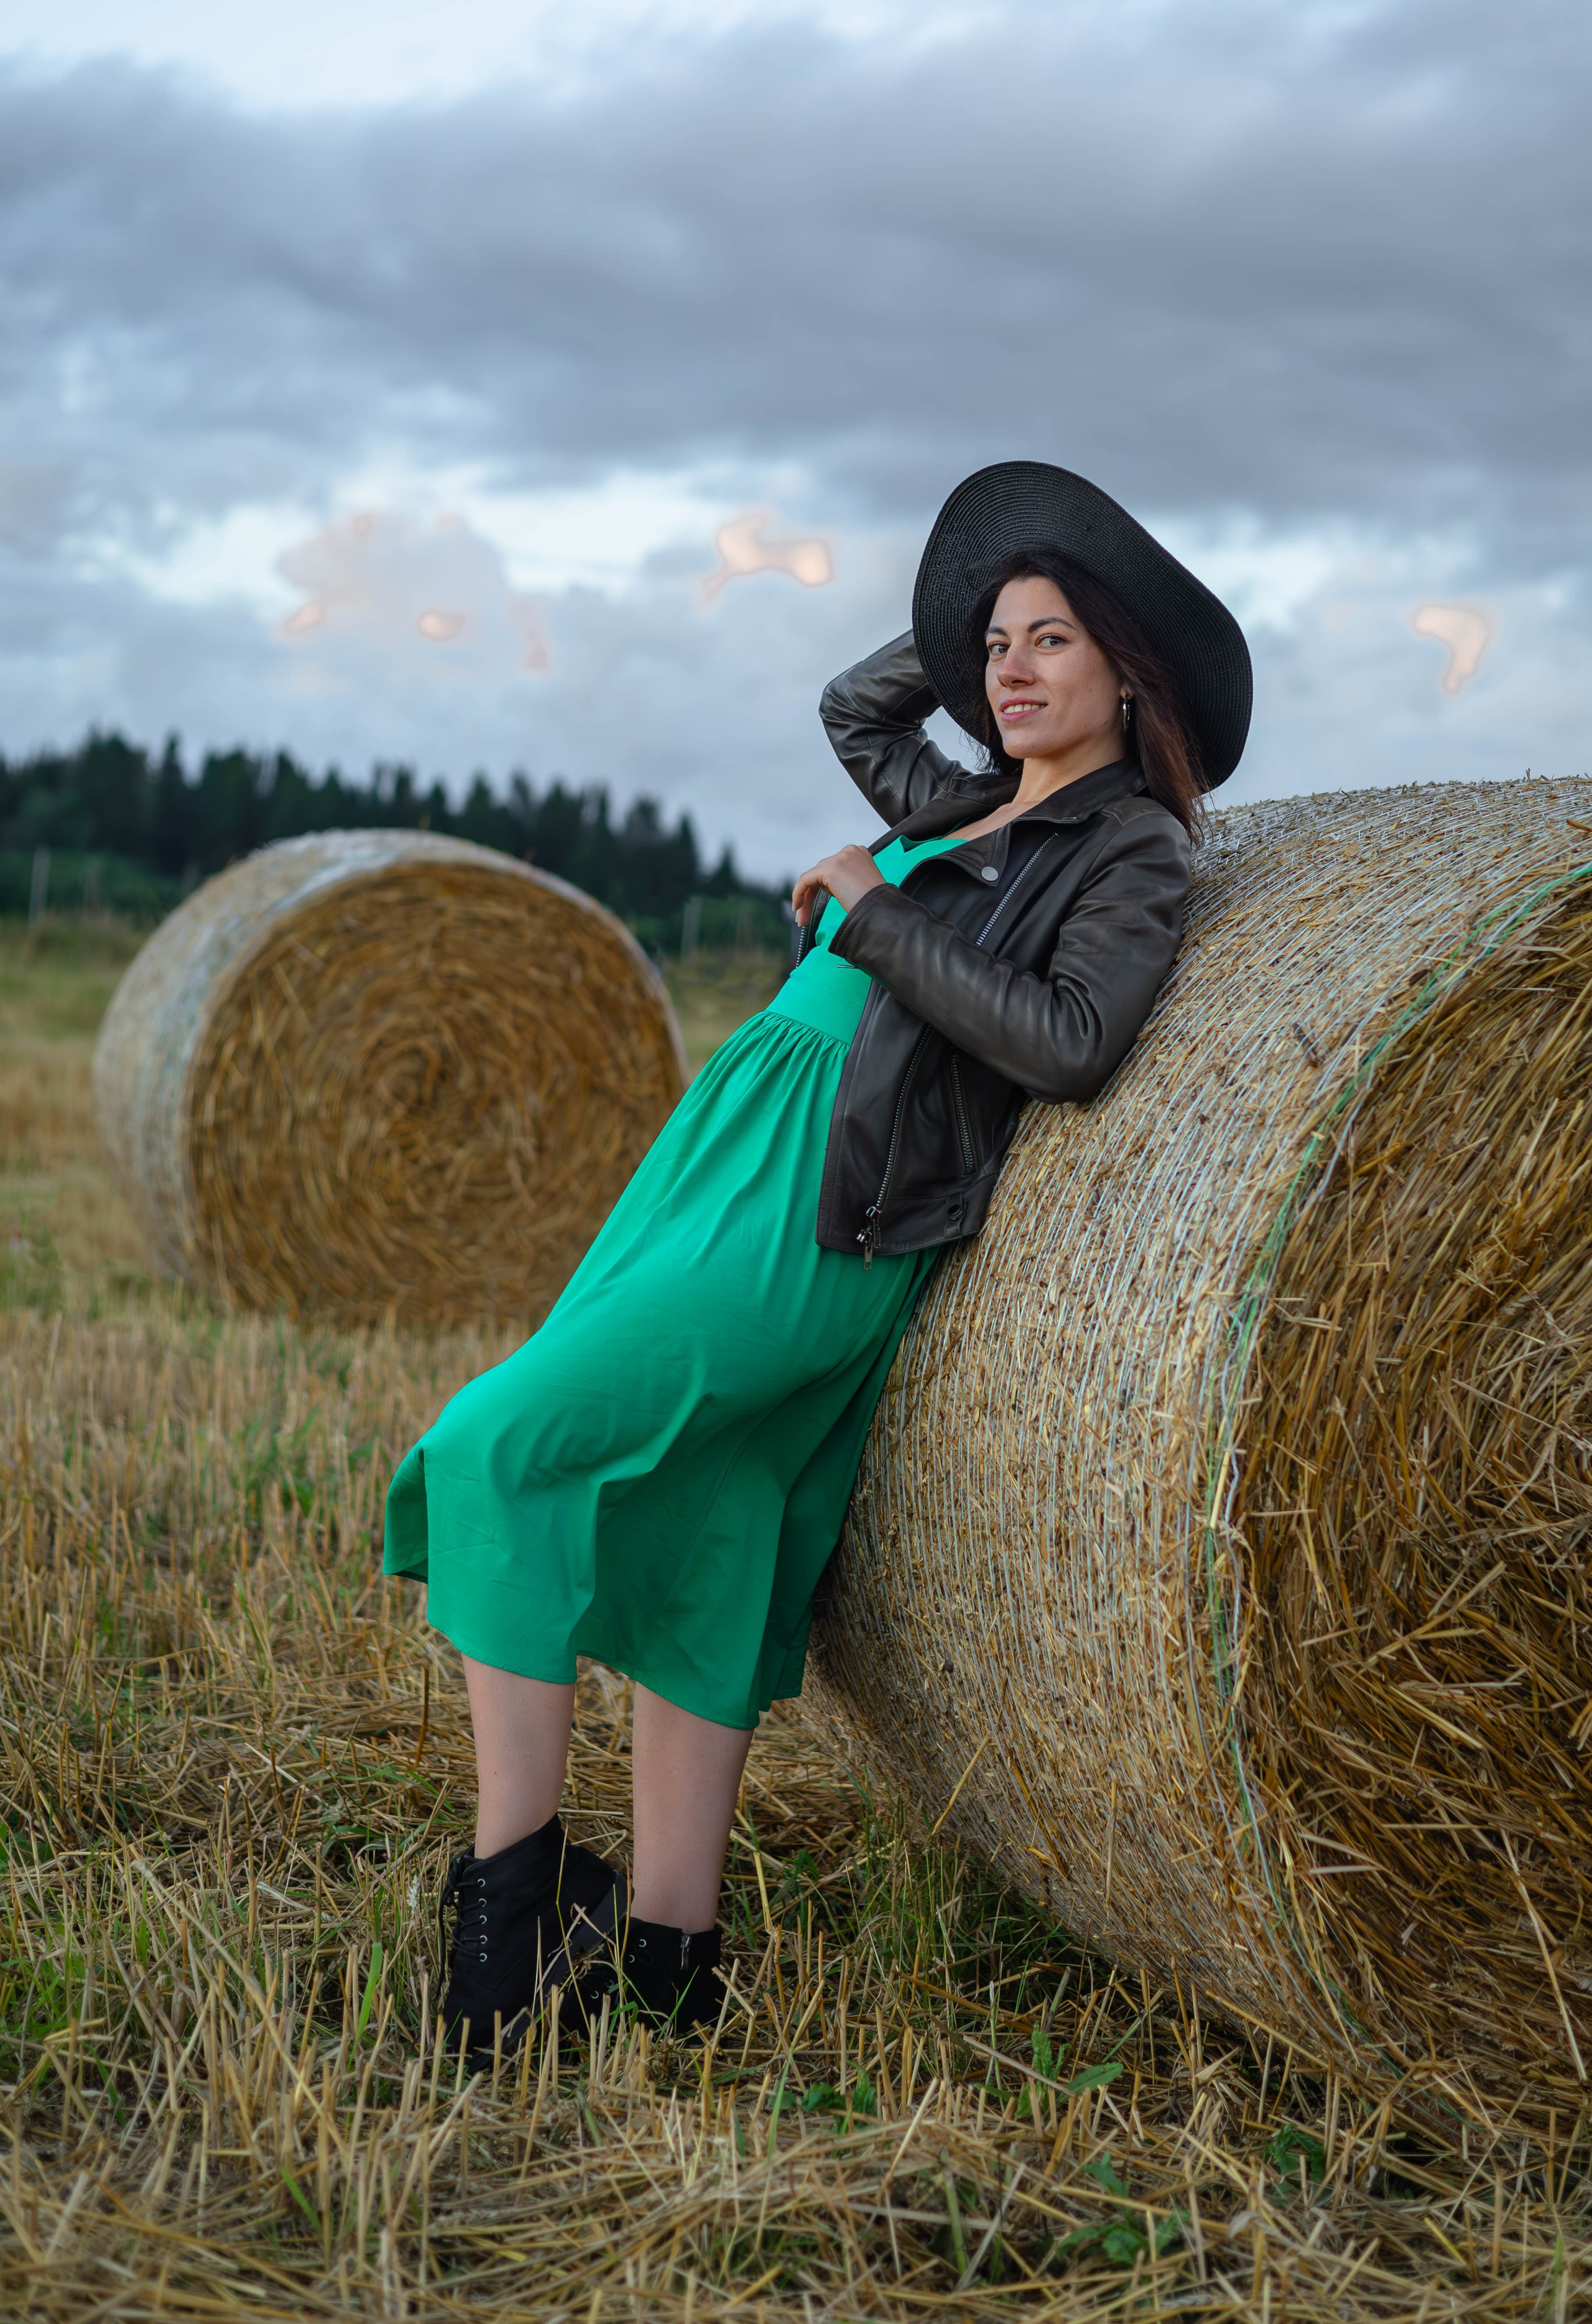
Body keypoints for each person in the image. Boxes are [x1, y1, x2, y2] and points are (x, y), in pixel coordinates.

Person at [382, 461, 1252, 2058]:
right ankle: (665, 1962)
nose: (1009, 669)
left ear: (1132, 671)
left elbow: (1065, 1043)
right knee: (713, 1528)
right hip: (722, 1158)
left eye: (1051, 640)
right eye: (996, 642)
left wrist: (866, 917)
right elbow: (858, 714)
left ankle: (505, 1911)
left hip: (817, 1208)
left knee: (499, 1445)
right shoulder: (969, 803)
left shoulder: (1123, 848)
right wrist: (969, 606)